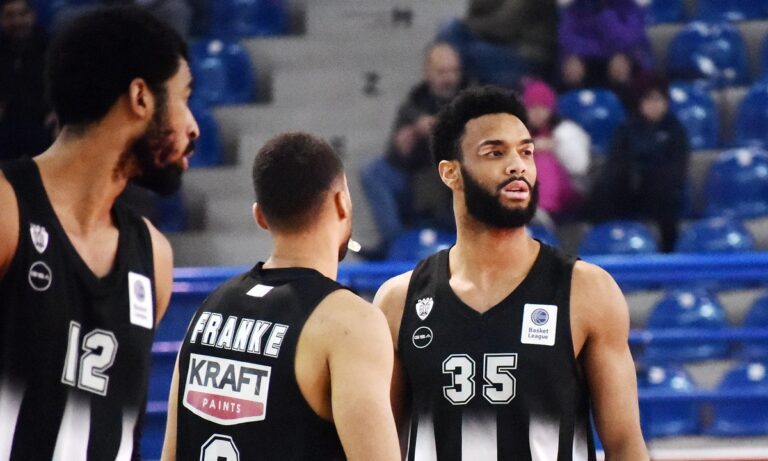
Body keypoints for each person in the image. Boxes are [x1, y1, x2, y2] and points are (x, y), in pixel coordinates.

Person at [373, 86, 648, 459]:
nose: (517, 165)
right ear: (451, 173)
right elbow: (380, 448)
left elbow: (625, 444)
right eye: (495, 152)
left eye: (526, 151)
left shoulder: (587, 290)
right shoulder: (398, 301)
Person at [0, 5, 198, 459]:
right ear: (140, 97)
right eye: (184, 97)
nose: (194, 127)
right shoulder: (8, 209)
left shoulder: (153, 256)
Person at [161, 133, 400, 460]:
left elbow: (170, 454)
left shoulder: (208, 309)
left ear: (260, 216)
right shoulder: (349, 322)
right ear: (342, 203)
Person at [360, 41, 464, 259]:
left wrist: (433, 127)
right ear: (428, 73)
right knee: (374, 172)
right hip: (415, 179)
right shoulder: (415, 101)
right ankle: (394, 243)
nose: (449, 78)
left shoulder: (470, 96)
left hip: (452, 181)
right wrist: (403, 146)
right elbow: (395, 156)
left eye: (453, 71)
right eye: (442, 72)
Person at [585, 73, 690, 252]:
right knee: (605, 187)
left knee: (667, 193)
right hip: (630, 186)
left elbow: (678, 166)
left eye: (658, 100)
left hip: (659, 188)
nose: (654, 105)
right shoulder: (627, 128)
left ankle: (669, 250)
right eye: (649, 100)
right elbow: (616, 161)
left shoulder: (675, 130)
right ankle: (602, 243)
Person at [558, 0, 654, 106]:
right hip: (588, 57)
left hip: (623, 56)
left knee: (619, 63)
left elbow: (627, 40)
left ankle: (622, 107)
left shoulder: (630, 7)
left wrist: (604, 13)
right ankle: (574, 107)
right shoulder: (575, 7)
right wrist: (601, 50)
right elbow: (567, 40)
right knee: (573, 66)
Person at [522, 79, 591, 219]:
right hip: (523, 192)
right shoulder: (517, 131)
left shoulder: (565, 131)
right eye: (533, 107)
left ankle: (542, 211)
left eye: (542, 107)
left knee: (544, 160)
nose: (537, 113)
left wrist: (557, 147)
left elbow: (579, 166)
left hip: (566, 190)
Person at [0, 0, 54, 161]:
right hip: (6, 122)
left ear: (33, 15)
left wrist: (57, 112)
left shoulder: (51, 46)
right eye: (10, 16)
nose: (17, 21)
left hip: (42, 121)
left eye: (22, 14)